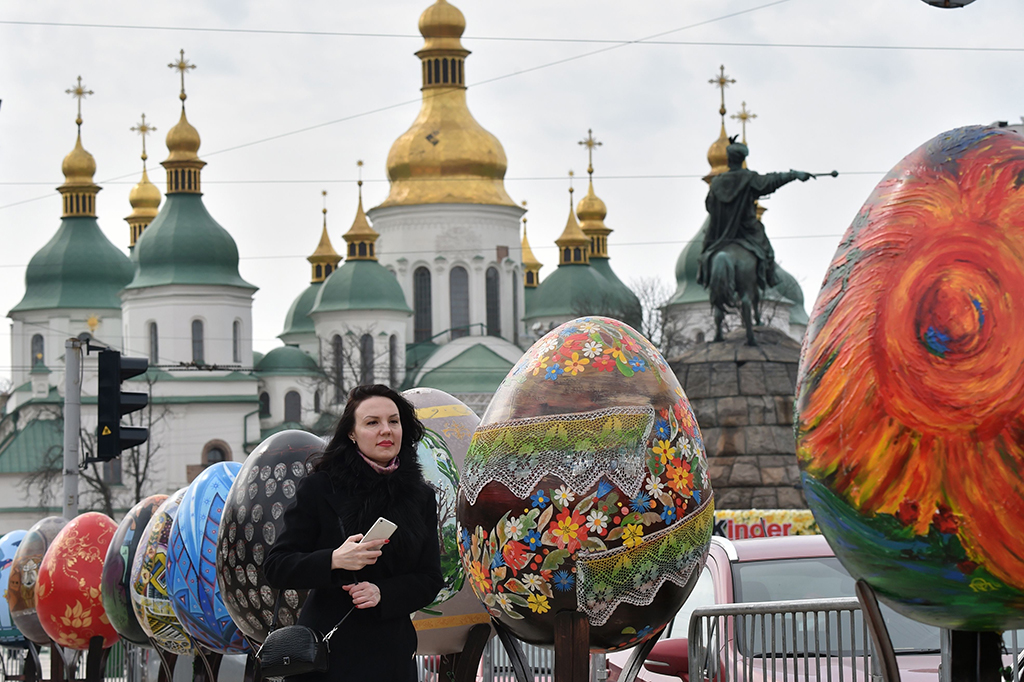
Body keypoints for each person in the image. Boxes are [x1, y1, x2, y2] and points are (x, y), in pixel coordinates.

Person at [265, 384, 444, 682]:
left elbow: (429, 578)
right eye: (372, 422)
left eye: (394, 421)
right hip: (327, 656)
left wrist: (382, 593)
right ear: (352, 433)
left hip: (391, 656)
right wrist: (335, 559)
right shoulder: (321, 487)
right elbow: (277, 566)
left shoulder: (420, 496)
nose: (386, 430)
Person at [697, 138, 811, 292]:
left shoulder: (716, 183)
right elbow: (771, 181)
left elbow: (709, 205)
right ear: (743, 159)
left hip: (721, 233)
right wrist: (794, 175)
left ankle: (702, 275)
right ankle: (771, 276)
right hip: (746, 230)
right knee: (768, 252)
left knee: (706, 251)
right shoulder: (749, 178)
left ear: (729, 160)